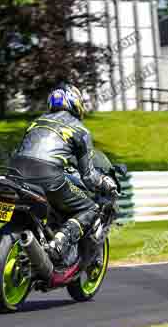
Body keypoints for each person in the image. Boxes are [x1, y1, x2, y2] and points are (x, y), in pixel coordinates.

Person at [9, 84, 118, 267]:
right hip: (49, 176)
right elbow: (89, 176)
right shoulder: (80, 129)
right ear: (75, 103)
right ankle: (60, 242)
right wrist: (106, 182)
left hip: (15, 174)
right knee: (90, 208)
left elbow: (20, 152)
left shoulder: (36, 122)